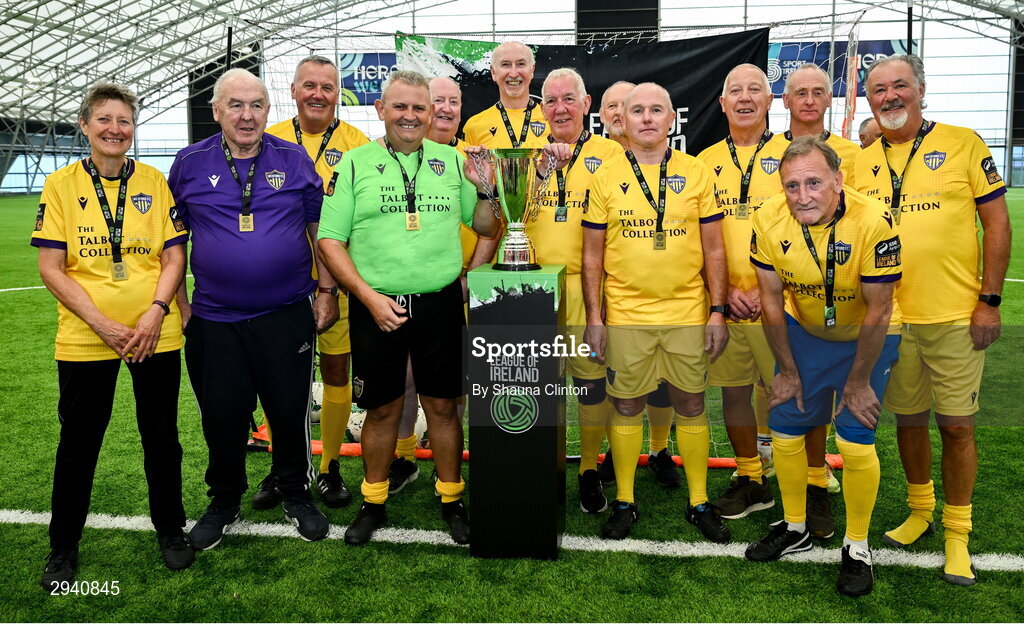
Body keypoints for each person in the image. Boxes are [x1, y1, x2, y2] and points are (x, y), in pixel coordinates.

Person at [318, 70, 567, 545]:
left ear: (432, 114)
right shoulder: (352, 165)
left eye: (419, 108)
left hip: (440, 304)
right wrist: (368, 299)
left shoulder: (453, 162)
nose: (410, 116)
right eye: (400, 107)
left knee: (443, 409)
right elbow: (330, 240)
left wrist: (490, 188)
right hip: (377, 306)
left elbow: (487, 226)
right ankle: (374, 501)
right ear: (381, 111)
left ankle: (451, 498)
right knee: (383, 410)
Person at [854, 54, 1011, 586]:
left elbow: (995, 221)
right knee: (909, 419)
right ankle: (921, 509)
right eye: (879, 89)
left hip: (953, 316)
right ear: (870, 99)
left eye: (900, 85)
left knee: (958, 425)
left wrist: (989, 300)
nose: (890, 96)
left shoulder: (964, 142)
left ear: (921, 89)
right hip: (890, 321)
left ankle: (957, 532)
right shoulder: (861, 161)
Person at [34, 83, 193, 589]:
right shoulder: (60, 185)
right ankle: (63, 548)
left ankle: (170, 530)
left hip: (155, 332)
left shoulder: (154, 181)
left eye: (123, 120)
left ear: (132, 128)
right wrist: (101, 323)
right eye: (104, 119)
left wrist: (155, 312)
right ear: (85, 126)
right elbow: (51, 267)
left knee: (162, 438)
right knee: (79, 442)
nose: (114, 129)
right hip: (85, 335)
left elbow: (173, 255)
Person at [170, 68, 337, 549]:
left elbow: (317, 231)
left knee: (288, 411)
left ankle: (296, 493)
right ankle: (223, 500)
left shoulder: (294, 157)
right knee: (222, 416)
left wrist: (326, 292)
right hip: (215, 319)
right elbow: (170, 241)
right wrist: (181, 303)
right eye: (236, 105)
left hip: (286, 313)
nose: (247, 116)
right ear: (217, 111)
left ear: (269, 110)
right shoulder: (188, 163)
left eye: (256, 105)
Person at [746, 136, 902, 597]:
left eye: (814, 182)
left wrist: (857, 383)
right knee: (786, 425)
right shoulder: (767, 218)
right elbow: (772, 303)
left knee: (854, 442)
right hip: (806, 333)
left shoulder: (874, 220)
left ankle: (857, 545)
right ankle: (796, 527)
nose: (802, 196)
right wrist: (788, 370)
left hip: (866, 337)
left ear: (839, 179)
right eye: (792, 186)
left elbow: (880, 309)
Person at [582, 82, 730, 542]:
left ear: (672, 120)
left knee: (690, 402)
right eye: (637, 110)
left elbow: (714, 249)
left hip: (688, 308)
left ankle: (698, 501)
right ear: (621, 121)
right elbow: (591, 255)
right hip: (626, 311)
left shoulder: (698, 172)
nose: (647, 118)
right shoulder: (604, 175)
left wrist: (718, 310)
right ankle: (625, 501)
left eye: (657, 110)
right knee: (626, 404)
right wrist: (595, 317)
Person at [261, 55, 370, 510]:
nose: (318, 94)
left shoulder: (358, 143)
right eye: (310, 85)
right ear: (293, 90)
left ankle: (327, 470)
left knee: (337, 370)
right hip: (280, 283)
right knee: (280, 377)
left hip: (338, 281)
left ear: (337, 92)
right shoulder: (268, 140)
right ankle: (282, 466)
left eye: (327, 86)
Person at [386, 76, 501, 494]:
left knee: (453, 386)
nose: (448, 108)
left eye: (454, 101)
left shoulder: (470, 160)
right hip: (416, 288)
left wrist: (471, 274)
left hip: (467, 285)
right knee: (406, 379)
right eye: (440, 101)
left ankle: (446, 462)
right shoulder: (389, 158)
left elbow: (493, 225)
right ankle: (403, 457)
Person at [696, 64, 786, 526]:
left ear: (771, 101)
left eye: (756, 89)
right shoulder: (702, 162)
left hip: (783, 305)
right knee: (733, 395)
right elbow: (693, 236)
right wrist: (726, 290)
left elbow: (812, 230)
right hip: (726, 303)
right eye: (736, 90)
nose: (746, 97)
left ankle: (808, 484)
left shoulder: (795, 155)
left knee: (789, 395)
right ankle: (750, 478)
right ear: (722, 103)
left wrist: (774, 293)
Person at [536, 68, 625, 514]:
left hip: (591, 288)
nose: (560, 109)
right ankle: (538, 467)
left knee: (591, 386)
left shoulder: (612, 154)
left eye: (568, 99)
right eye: (550, 101)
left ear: (587, 104)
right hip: (533, 294)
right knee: (539, 387)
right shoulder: (527, 157)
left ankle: (589, 468)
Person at [463, 41, 550, 148]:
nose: (513, 73)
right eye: (505, 65)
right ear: (493, 72)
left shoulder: (552, 121)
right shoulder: (474, 126)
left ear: (532, 69)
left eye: (521, 64)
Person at [599, 81, 636, 151]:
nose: (619, 112)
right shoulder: (588, 155)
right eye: (612, 106)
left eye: (626, 105)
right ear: (602, 114)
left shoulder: (660, 157)